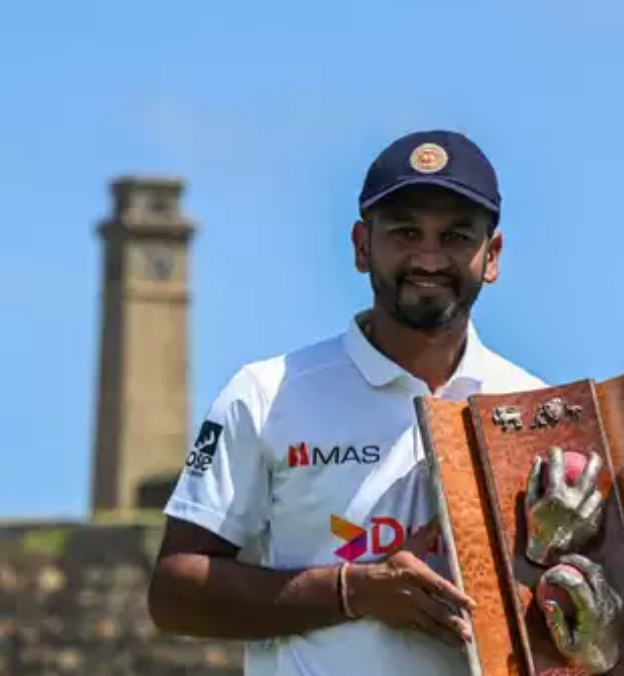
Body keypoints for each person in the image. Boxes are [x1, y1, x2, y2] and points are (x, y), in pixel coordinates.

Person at [147, 129, 549, 675]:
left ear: (492, 255)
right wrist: (353, 591)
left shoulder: (534, 409)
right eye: (406, 233)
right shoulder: (267, 393)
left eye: (455, 236)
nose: (429, 257)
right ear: (363, 246)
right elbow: (175, 593)